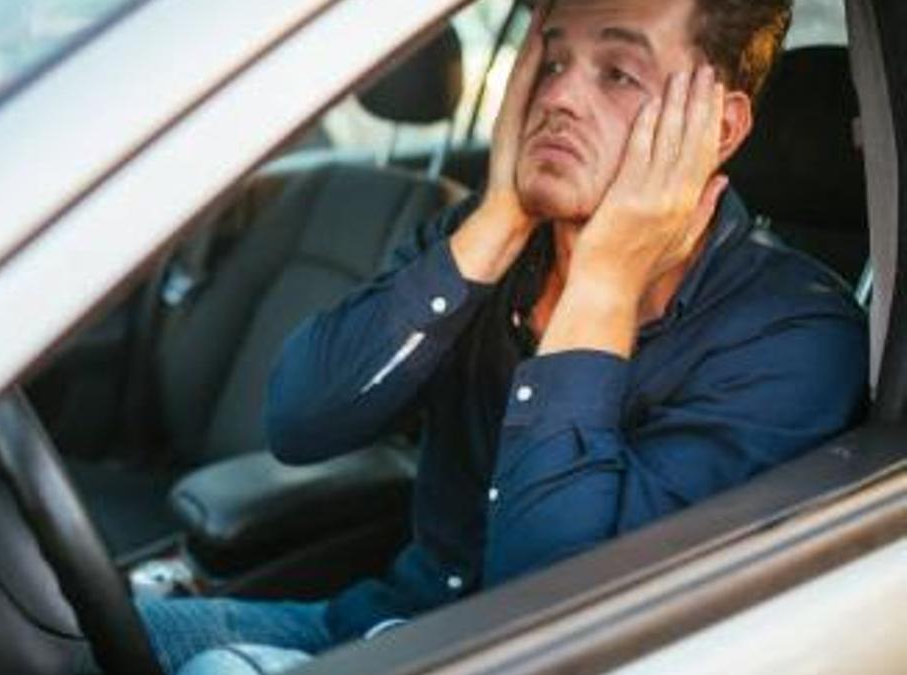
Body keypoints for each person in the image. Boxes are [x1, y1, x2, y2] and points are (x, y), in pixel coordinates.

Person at [138, 0, 868, 672]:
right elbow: (298, 419)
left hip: (502, 657)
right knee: (70, 635)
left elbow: (555, 609)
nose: (557, 97)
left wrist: (604, 283)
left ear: (720, 128)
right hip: (376, 625)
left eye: (617, 73)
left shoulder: (796, 341)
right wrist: (497, 217)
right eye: (550, 62)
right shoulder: (490, 241)